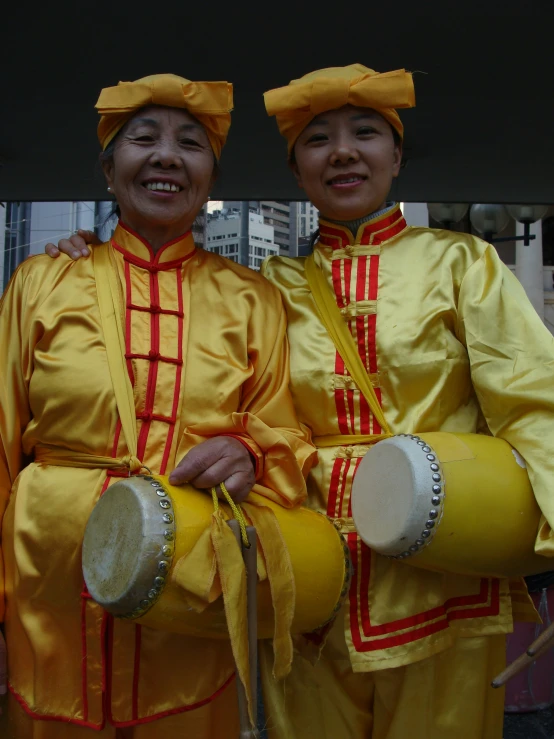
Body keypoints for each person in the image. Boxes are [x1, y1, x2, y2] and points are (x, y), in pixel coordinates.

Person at [46, 63, 554, 738]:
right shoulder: (265, 288)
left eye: (365, 133)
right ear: (296, 170)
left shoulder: (461, 264)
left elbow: (531, 400)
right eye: (318, 140)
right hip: (307, 579)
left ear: (396, 156)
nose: (343, 151)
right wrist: (89, 257)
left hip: (445, 574)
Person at [0, 73, 315, 738]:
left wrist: (250, 451)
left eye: (190, 145)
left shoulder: (252, 297)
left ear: (210, 175)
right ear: (109, 168)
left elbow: (288, 436)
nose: (167, 156)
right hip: (48, 590)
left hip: (191, 592)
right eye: (144, 139)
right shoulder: (40, 280)